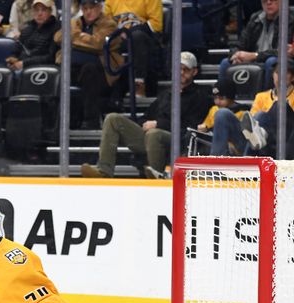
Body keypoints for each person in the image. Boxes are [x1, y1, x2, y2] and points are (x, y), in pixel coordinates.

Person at [81, 51, 212, 178]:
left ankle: (156, 175)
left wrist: (158, 124)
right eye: (178, 68)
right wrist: (141, 125)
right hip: (150, 139)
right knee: (112, 119)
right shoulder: (167, 94)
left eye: (186, 69)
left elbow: (191, 128)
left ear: (194, 71)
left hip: (177, 142)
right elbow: (146, 116)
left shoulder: (201, 97)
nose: (181, 72)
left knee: (153, 133)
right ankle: (104, 170)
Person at [55, 0, 122, 130]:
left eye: (91, 8)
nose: (88, 12)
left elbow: (98, 44)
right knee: (57, 73)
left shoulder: (110, 24)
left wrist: (74, 39)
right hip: (75, 68)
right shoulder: (75, 22)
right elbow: (58, 37)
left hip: (102, 72)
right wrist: (84, 40)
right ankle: (57, 124)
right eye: (85, 8)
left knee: (89, 69)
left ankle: (90, 120)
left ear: (99, 7)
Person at [220, 0, 294, 90]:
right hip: (256, 59)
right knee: (225, 63)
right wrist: (236, 54)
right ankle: (225, 99)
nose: (268, 2)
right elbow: (240, 44)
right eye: (264, 0)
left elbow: (285, 51)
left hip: (279, 61)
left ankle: (267, 99)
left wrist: (255, 56)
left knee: (271, 62)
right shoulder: (255, 18)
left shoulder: (290, 18)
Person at [104, 0, 163, 97]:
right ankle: (112, 93)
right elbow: (105, 23)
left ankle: (139, 84)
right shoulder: (110, 1)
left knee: (137, 37)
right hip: (119, 37)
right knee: (105, 42)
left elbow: (156, 25)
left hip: (144, 37)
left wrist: (129, 32)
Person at [5, 0, 59, 71]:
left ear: (50, 12)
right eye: (36, 10)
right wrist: (12, 58)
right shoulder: (28, 29)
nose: (39, 14)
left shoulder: (56, 29)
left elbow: (51, 57)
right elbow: (17, 49)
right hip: (21, 66)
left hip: (41, 69)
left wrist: (24, 63)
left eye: (43, 10)